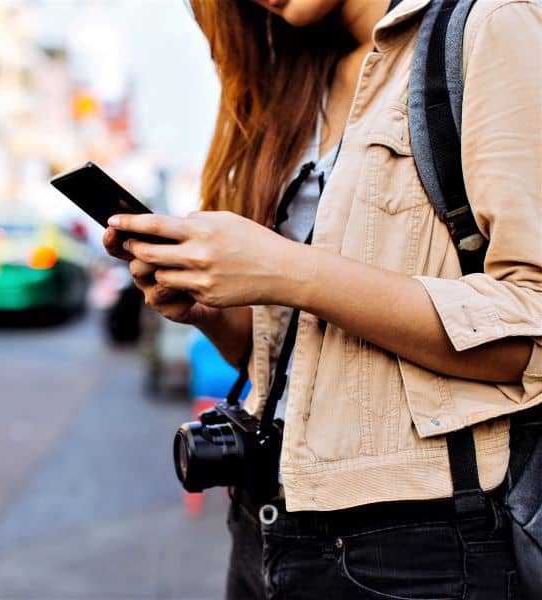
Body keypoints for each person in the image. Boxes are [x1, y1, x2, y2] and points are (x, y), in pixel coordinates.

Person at [102, 0, 542, 598]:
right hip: (264, 522)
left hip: (420, 545)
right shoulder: (297, 82)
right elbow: (301, 366)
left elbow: (531, 331)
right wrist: (212, 311)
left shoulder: (490, 26)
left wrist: (284, 269)